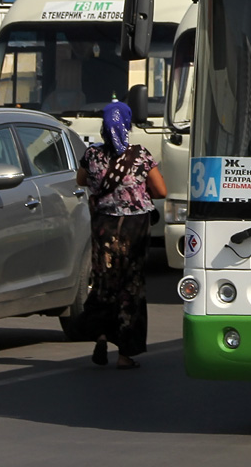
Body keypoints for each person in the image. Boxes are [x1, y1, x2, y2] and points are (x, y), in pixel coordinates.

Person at [75, 101, 166, 370]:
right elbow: (161, 191)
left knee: (104, 283)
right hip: (133, 229)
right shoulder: (140, 156)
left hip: (103, 228)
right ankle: (125, 354)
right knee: (130, 287)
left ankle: (101, 334)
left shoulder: (91, 155)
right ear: (127, 127)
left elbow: (81, 181)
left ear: (103, 128)